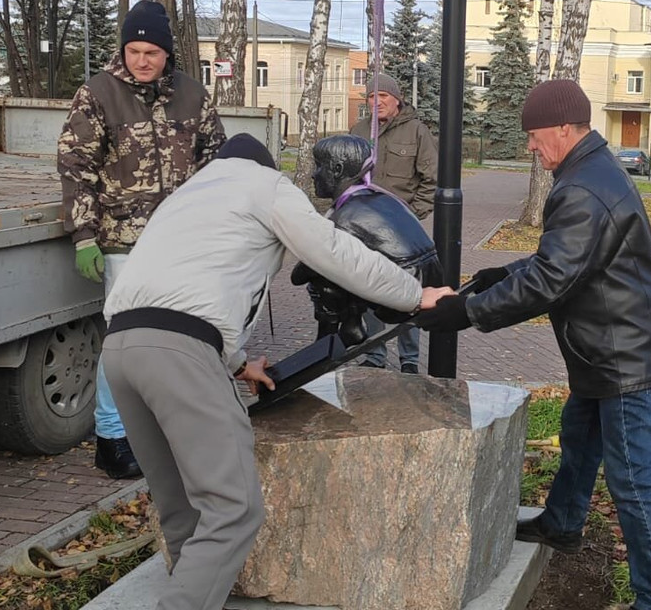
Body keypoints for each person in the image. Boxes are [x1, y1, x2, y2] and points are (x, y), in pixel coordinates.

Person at [100, 133, 454, 610]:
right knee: (234, 508)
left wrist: (237, 364)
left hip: (120, 349)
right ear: (265, 166)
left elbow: (178, 290)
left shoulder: (184, 197)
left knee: (179, 503)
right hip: (180, 352)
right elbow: (332, 250)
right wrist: (414, 294)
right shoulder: (265, 185)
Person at [416, 79, 651, 610]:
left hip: (621, 358)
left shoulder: (582, 187)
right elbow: (563, 260)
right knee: (579, 439)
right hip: (607, 349)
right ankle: (562, 523)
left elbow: (551, 281)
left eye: (535, 136)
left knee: (633, 482)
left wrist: (465, 312)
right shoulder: (590, 171)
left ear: (563, 128)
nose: (531, 147)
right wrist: (501, 275)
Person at [58, 0, 226, 479]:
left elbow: (216, 163)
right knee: (125, 341)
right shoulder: (98, 94)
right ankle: (112, 437)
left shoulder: (192, 95)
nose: (142, 61)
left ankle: (164, 429)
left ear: (167, 53)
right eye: (133, 51)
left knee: (178, 337)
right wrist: (84, 236)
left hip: (181, 243)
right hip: (123, 242)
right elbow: (76, 167)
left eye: (151, 52)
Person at [291, 134, 444, 351]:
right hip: (430, 278)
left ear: (337, 169)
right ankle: (351, 325)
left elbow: (300, 274)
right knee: (345, 264)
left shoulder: (346, 215)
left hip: (411, 293)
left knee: (323, 277)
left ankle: (325, 344)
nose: (314, 174)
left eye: (318, 166)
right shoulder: (382, 198)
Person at [350, 72, 438, 374]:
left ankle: (409, 359)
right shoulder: (360, 130)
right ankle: (374, 355)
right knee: (369, 289)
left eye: (383, 96)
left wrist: (413, 215)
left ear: (397, 99)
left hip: (402, 230)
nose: (376, 102)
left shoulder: (416, 131)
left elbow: (431, 179)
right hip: (366, 228)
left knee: (407, 293)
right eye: (371, 97)